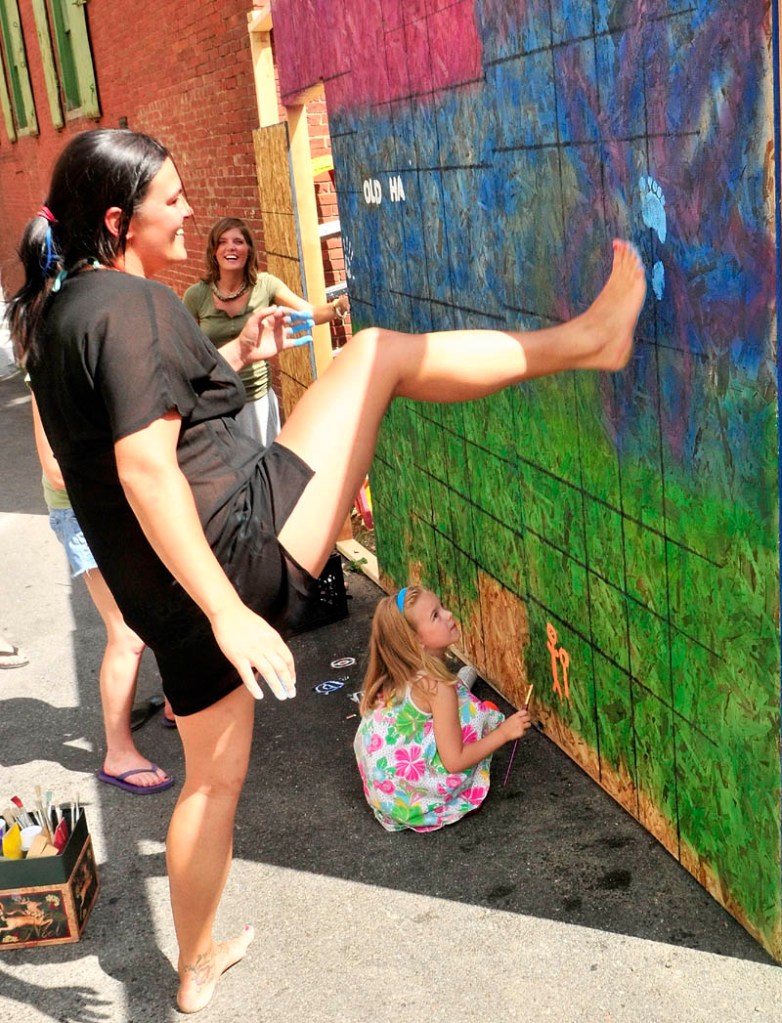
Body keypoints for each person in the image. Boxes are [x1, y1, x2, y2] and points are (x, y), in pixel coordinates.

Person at [7, 128, 645, 1013]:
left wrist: (233, 359)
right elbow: (144, 467)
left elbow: (140, 431)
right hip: (233, 555)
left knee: (211, 785)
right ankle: (590, 340)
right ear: (120, 221)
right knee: (374, 354)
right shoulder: (130, 301)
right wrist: (232, 610)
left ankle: (192, 969)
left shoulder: (63, 320)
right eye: (173, 199)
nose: (191, 210)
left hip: (171, 602)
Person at [30, 392, 175, 793]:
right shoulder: (46, 376)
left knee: (167, 605)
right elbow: (57, 472)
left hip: (125, 499)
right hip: (82, 512)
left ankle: (177, 701)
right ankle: (118, 754)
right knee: (128, 634)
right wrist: (136, 464)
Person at [354, 586, 530, 832]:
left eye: (442, 607)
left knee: (457, 701)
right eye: (435, 615)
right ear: (416, 640)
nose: (448, 615)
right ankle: (450, 801)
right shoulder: (437, 687)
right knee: (475, 717)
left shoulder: (398, 665)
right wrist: (504, 733)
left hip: (382, 792)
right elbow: (454, 762)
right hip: (412, 805)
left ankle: (462, 685)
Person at [183, 216, 349, 447]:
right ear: (214, 251)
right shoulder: (195, 295)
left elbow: (309, 313)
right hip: (217, 399)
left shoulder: (266, 285)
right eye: (222, 242)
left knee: (260, 465)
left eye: (238, 241)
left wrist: (338, 307)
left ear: (249, 250)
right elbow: (186, 348)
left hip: (256, 400)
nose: (231, 247)